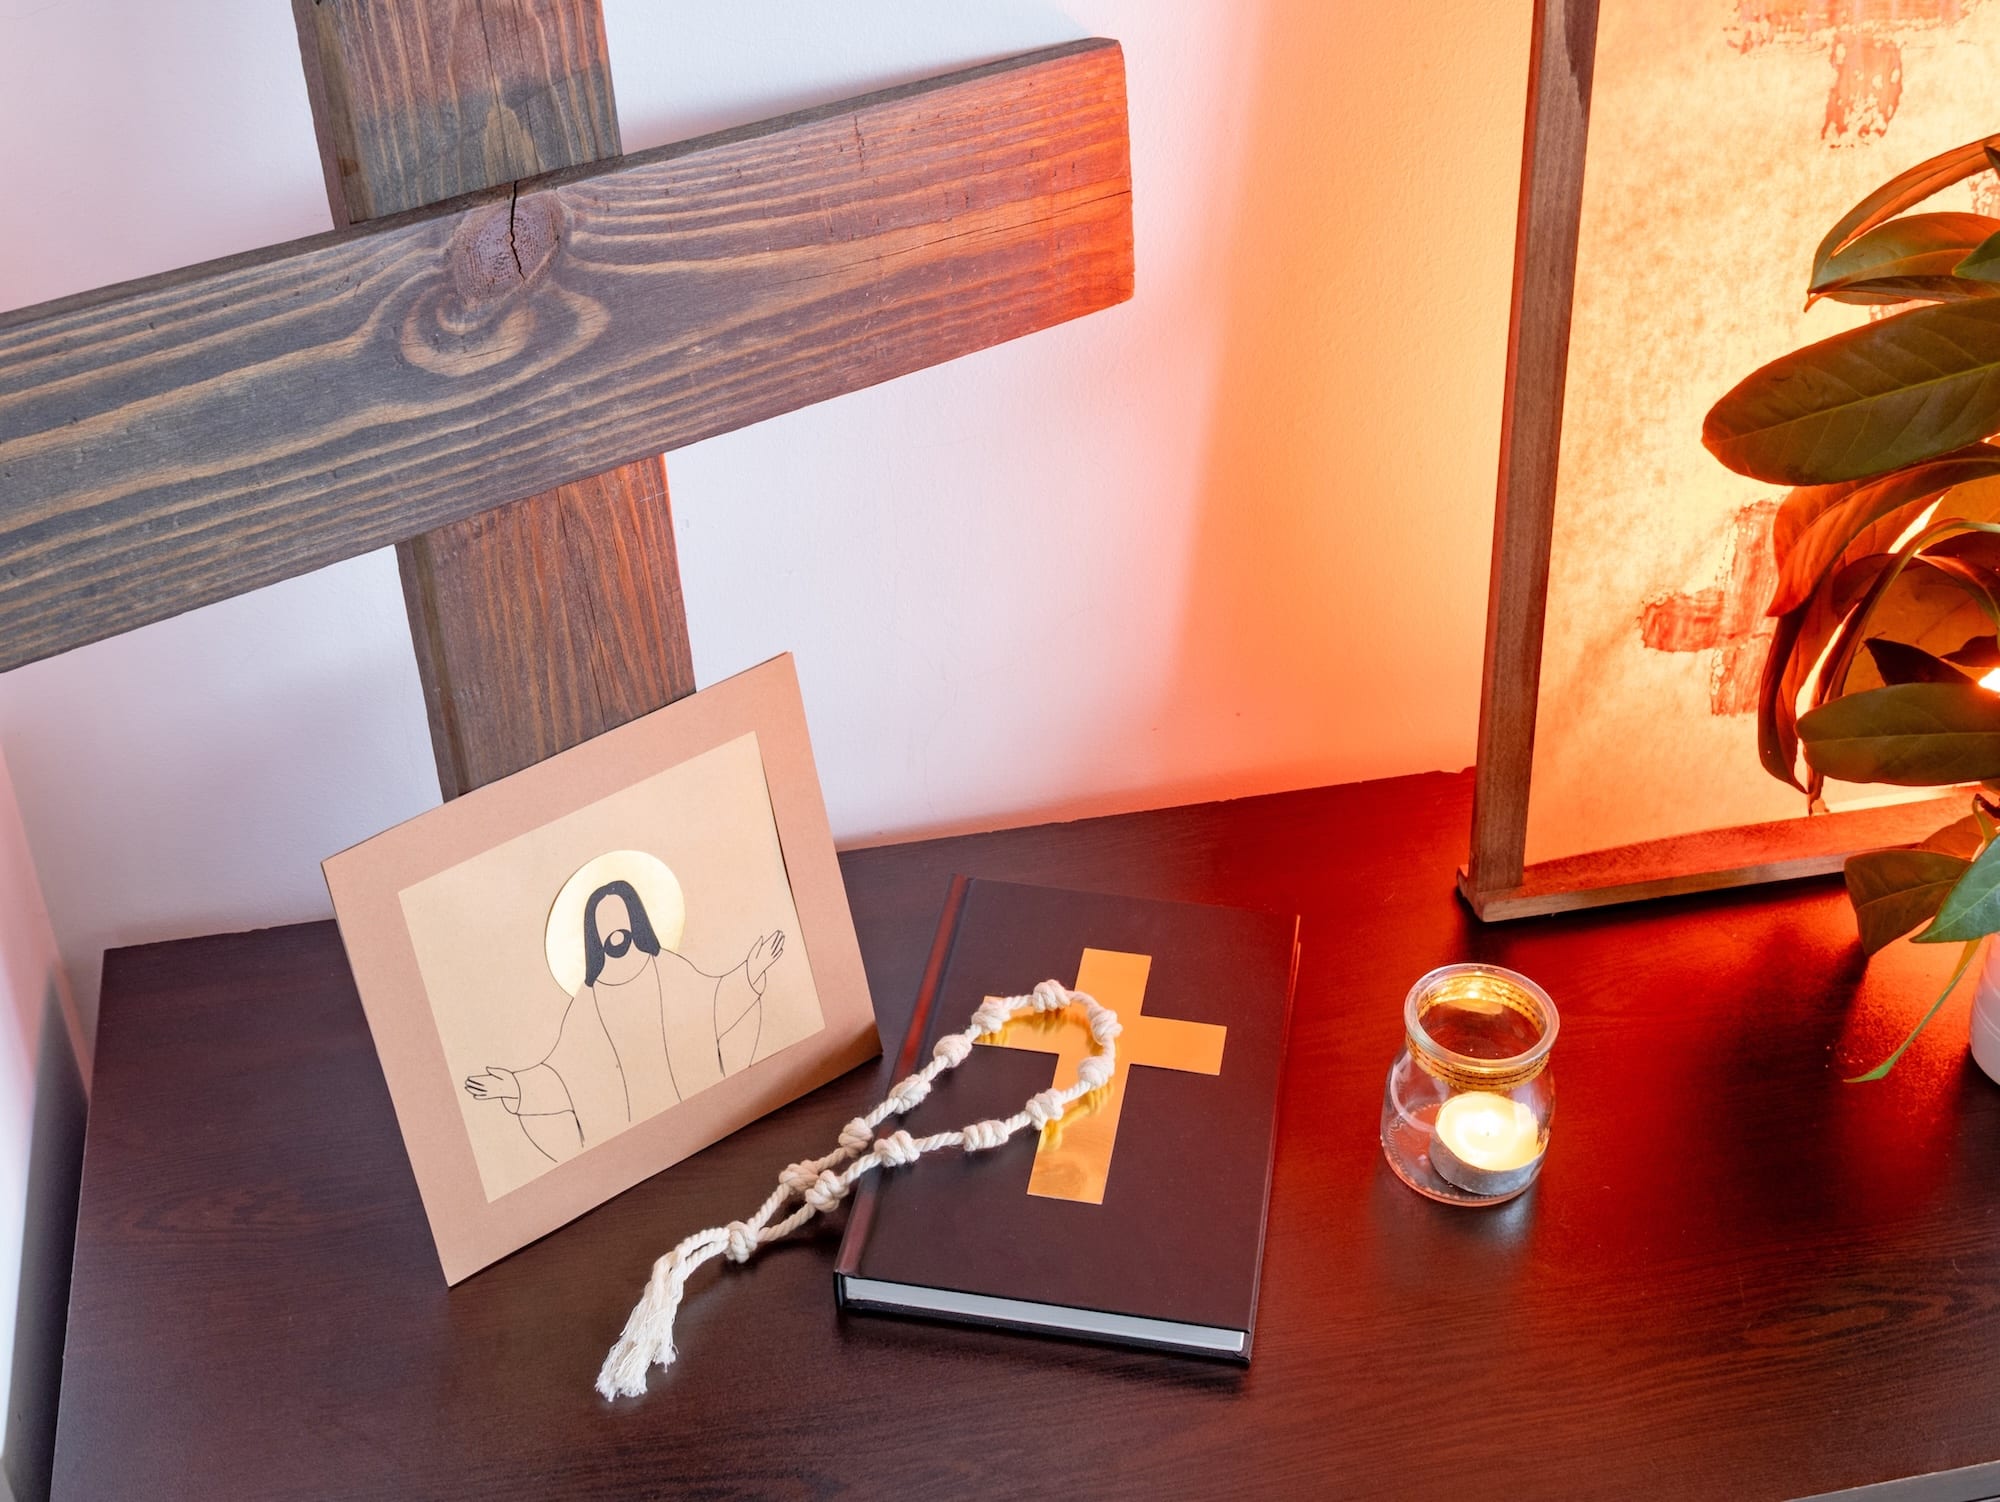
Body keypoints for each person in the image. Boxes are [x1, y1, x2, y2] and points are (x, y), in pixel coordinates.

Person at [463, 879, 783, 1162]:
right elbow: (563, 1073)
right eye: (607, 933)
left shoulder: (667, 969)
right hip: (638, 1149)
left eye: (623, 930)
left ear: (636, 923)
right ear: (595, 939)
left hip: (706, 1129)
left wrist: (749, 972)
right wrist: (515, 1086)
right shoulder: (589, 1003)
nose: (616, 938)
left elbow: (713, 1004)